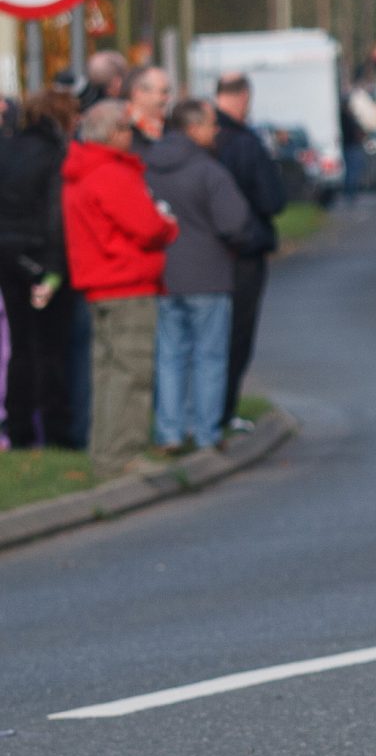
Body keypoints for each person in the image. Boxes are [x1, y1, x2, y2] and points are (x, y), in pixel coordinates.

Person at [61, 100, 177, 475]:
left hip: (99, 283)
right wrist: (167, 225)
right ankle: (123, 454)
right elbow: (146, 225)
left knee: (109, 372)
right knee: (132, 371)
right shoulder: (111, 173)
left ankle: (104, 451)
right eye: (127, 128)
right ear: (112, 134)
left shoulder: (80, 172)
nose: (133, 135)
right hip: (127, 281)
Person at [142, 99, 257, 453]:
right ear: (192, 129)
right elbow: (235, 221)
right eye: (210, 125)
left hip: (162, 274)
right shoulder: (208, 171)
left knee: (169, 356)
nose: (216, 131)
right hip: (208, 274)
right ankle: (207, 434)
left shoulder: (146, 166)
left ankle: (169, 432)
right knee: (209, 357)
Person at [0, 92, 78, 447]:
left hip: (8, 253)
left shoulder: (8, 148)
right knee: (51, 350)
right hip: (41, 256)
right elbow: (54, 217)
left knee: (21, 346)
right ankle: (57, 432)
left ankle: (19, 431)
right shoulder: (55, 154)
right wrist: (53, 269)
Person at [209, 74, 285, 429]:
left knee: (208, 338)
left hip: (206, 251)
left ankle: (209, 413)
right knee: (236, 337)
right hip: (245, 249)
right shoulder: (244, 142)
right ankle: (223, 412)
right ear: (243, 97)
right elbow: (272, 198)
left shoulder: (205, 139)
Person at [127, 65, 172, 143]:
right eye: (163, 92)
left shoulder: (171, 127)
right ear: (138, 93)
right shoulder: (122, 126)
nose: (167, 98)